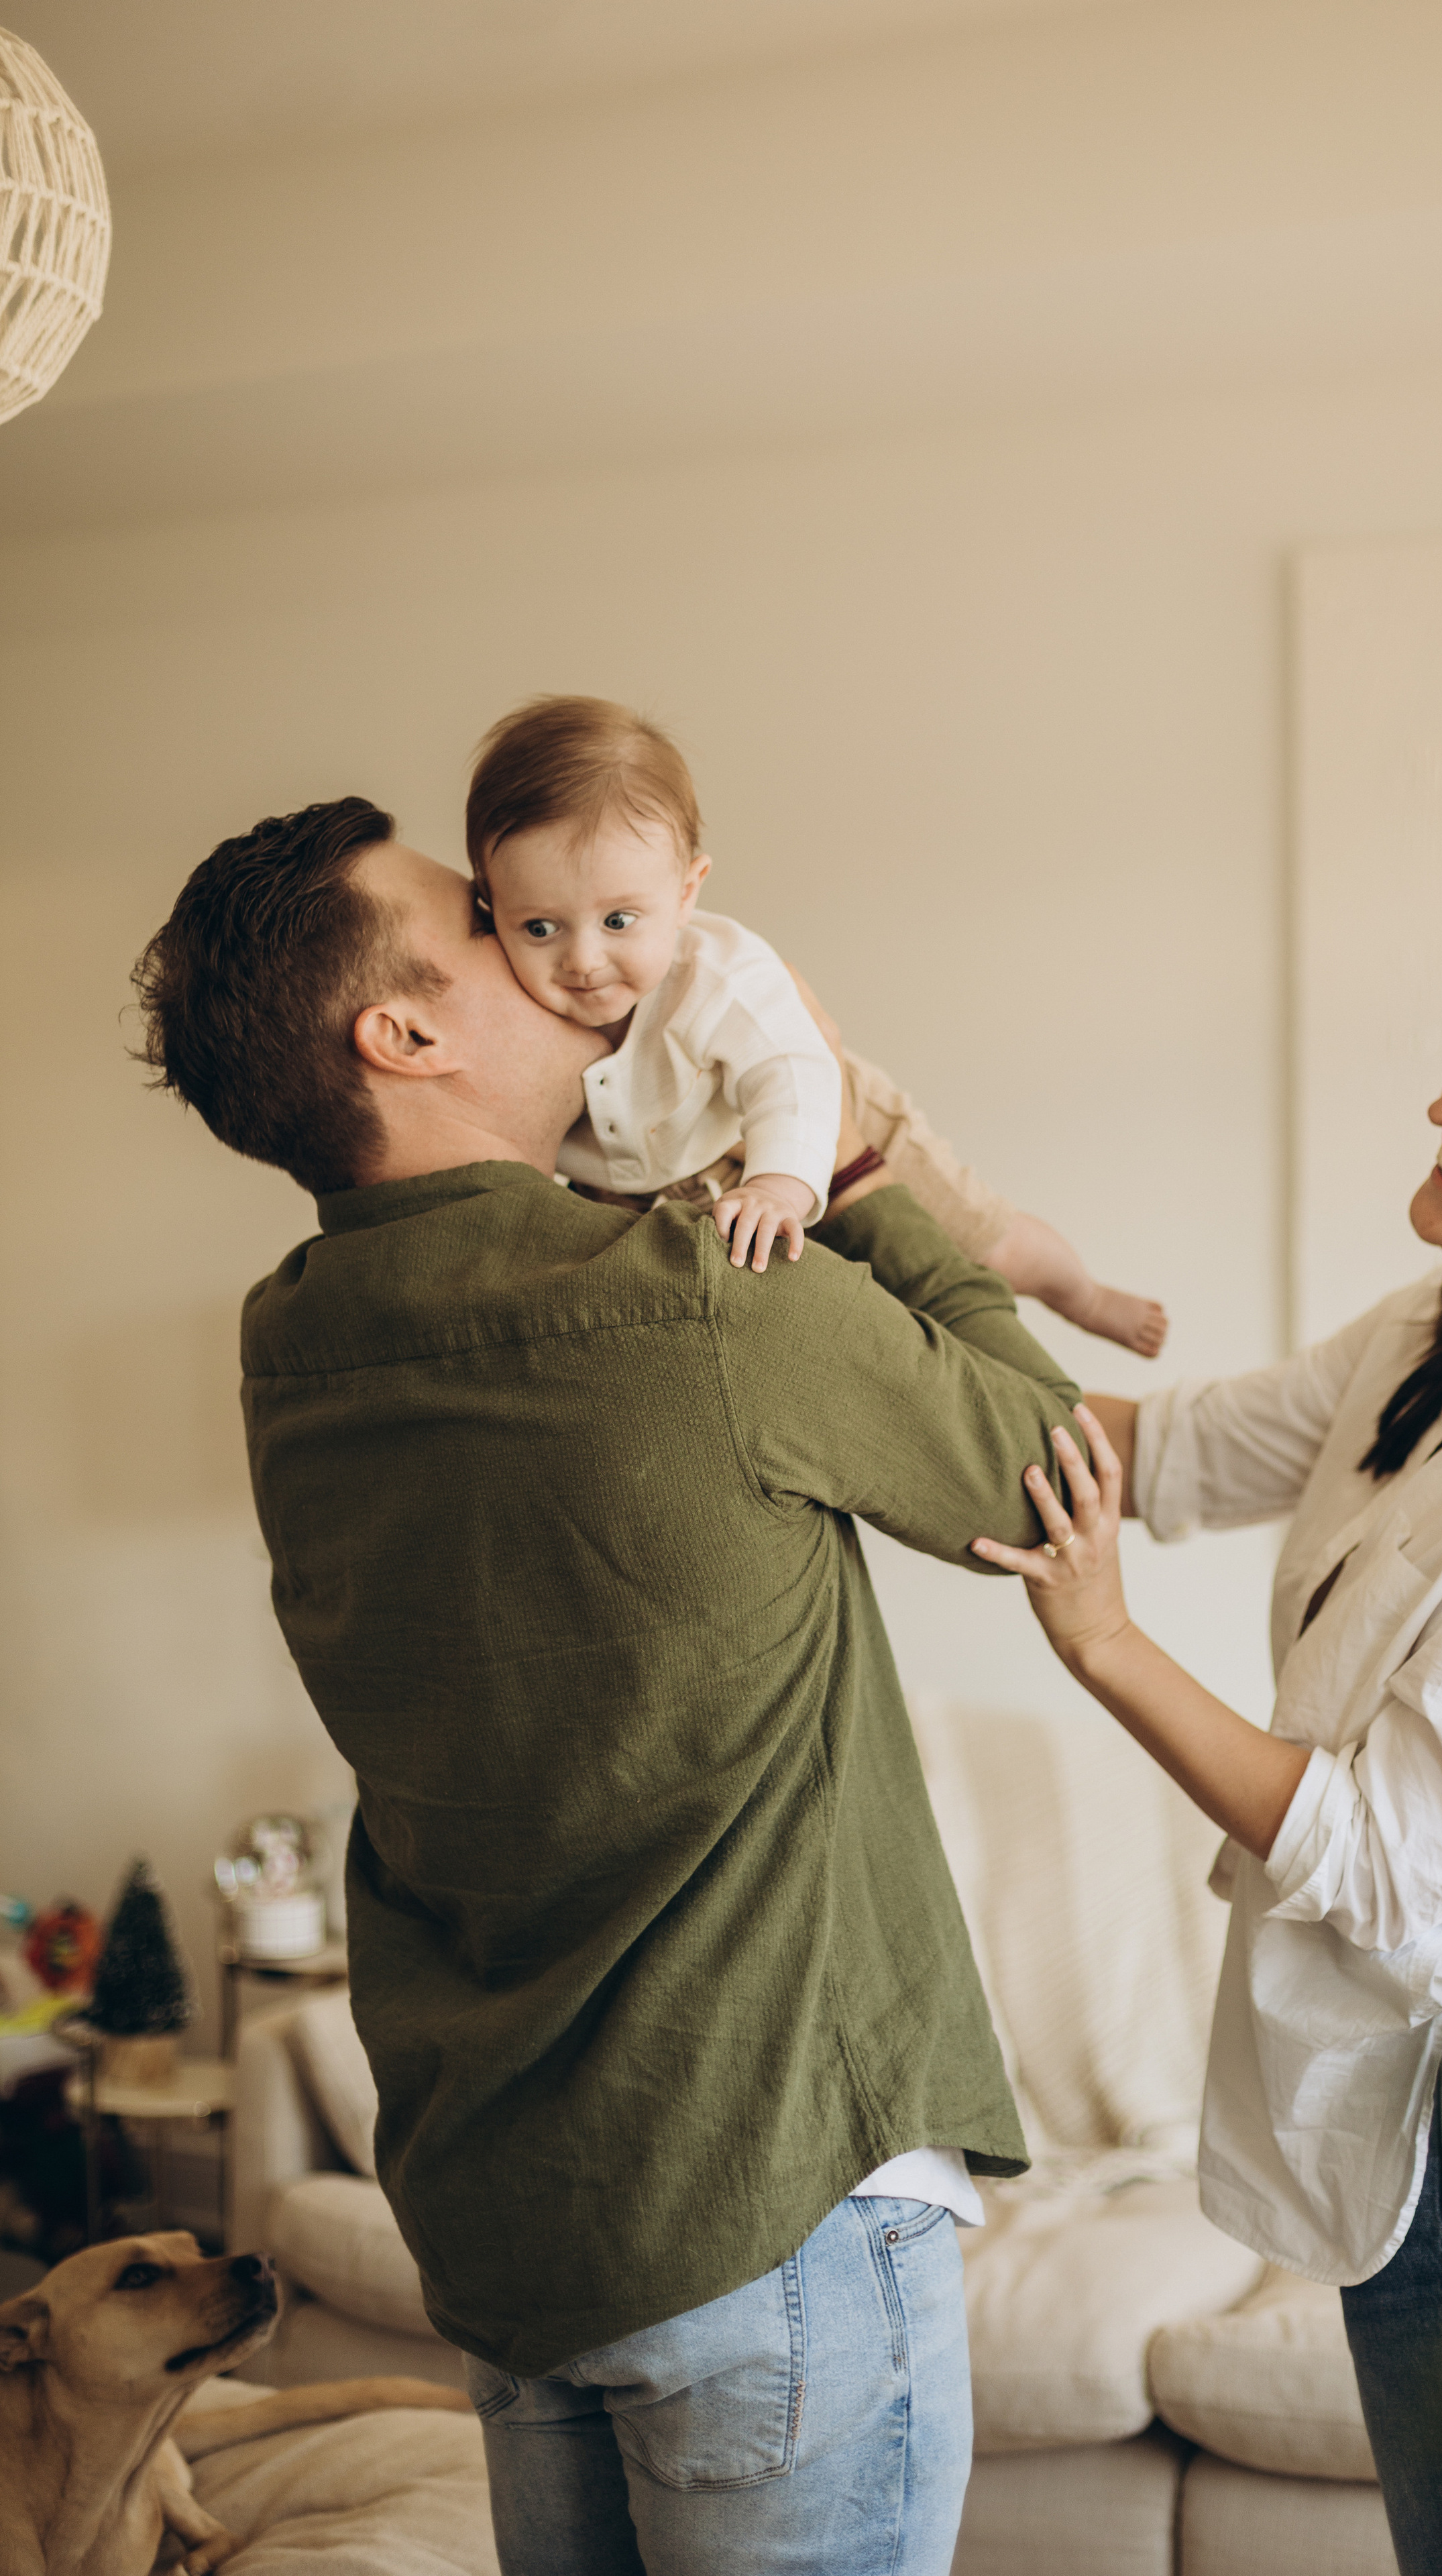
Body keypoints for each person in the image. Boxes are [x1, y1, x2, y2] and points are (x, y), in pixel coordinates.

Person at [131, 795, 1089, 2576]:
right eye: (490, 923)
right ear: (402, 1035)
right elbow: (1051, 1471)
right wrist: (849, 1158)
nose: (554, 947)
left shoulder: (292, 1342)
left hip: (513, 2224)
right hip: (766, 2194)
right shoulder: (696, 1298)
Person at [973, 937, 1442, 2575]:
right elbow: (1157, 1449)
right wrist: (887, 1305)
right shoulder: (1433, 1332)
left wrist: (1103, 1644)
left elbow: (1383, 1863)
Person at [468, 694, 1168, 1353]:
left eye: (619, 920)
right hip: (675, 1179)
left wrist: (779, 1184)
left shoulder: (718, 977)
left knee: (982, 1242)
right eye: (540, 927)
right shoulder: (498, 1007)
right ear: (489, 908)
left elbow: (790, 1074)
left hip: (809, 1115)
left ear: (685, 894)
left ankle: (1079, 1293)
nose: (583, 960)